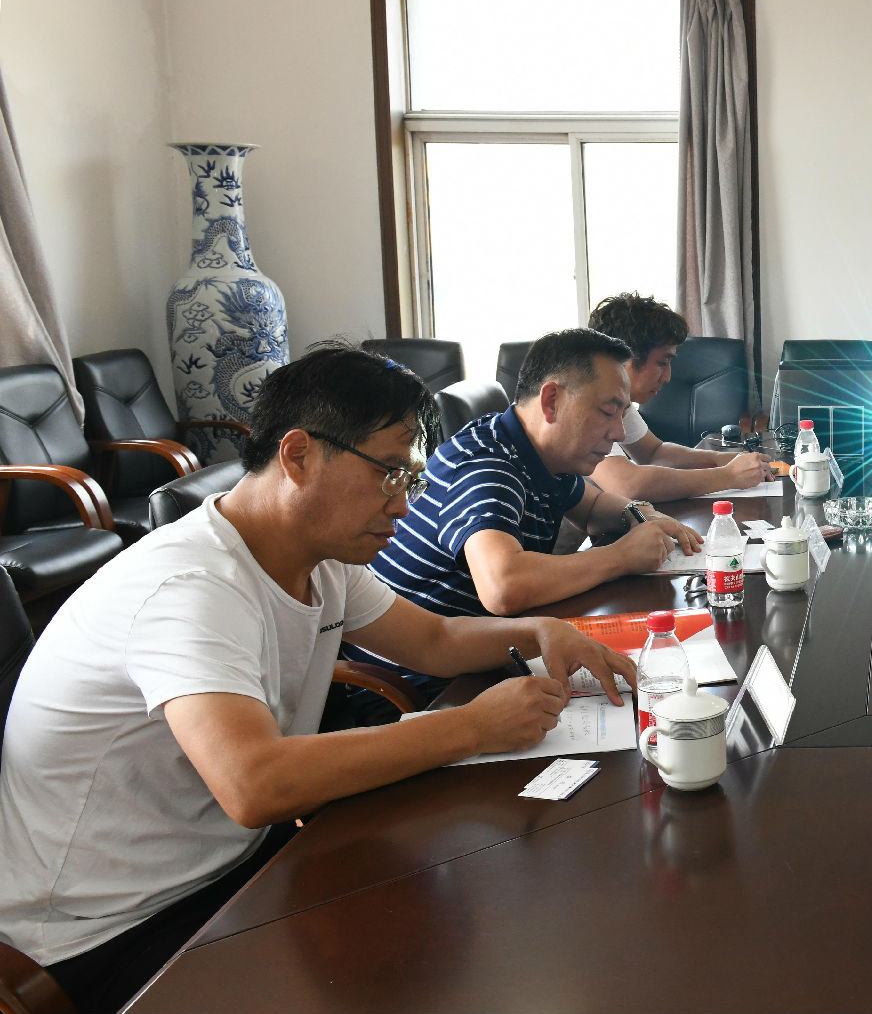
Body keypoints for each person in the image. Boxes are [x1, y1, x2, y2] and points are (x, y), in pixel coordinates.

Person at [0, 345, 637, 1013]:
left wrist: (540, 633)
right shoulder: (189, 587)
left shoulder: (319, 557)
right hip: (108, 929)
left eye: (412, 480)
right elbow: (255, 783)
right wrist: (473, 726)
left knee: (475, 916)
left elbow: (434, 640)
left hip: (231, 864)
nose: (402, 506)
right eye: (390, 473)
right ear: (299, 455)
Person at [371, 328, 699, 631]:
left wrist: (641, 514)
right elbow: (503, 586)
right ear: (551, 401)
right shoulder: (486, 464)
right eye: (607, 412)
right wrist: (621, 557)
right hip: (421, 669)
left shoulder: (538, 453)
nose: (619, 433)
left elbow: (593, 506)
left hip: (481, 642)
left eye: (622, 414)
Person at [585, 292, 773, 501]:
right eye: (662, 363)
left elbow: (654, 453)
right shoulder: (586, 405)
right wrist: (728, 476)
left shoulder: (619, 401)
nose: (668, 377)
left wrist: (725, 459)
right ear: (625, 358)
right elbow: (628, 485)